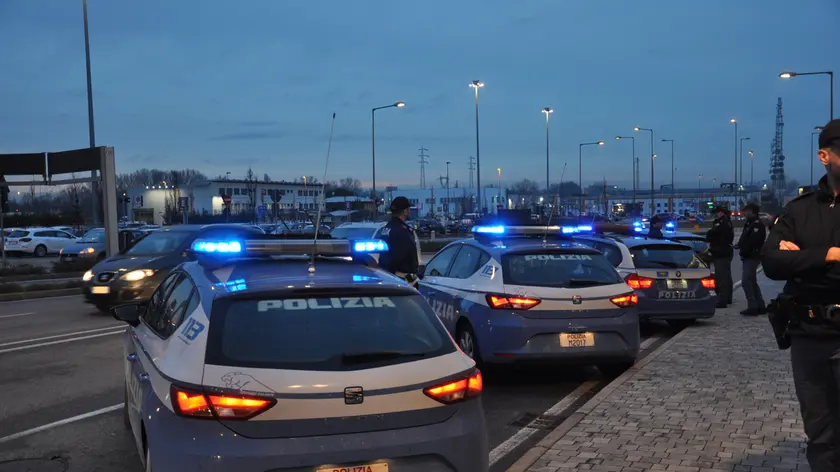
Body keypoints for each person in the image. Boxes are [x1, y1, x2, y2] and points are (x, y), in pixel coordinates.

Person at [760, 119, 840, 472]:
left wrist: (802, 259)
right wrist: (830, 255)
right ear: (825, 155)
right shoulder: (800, 209)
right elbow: (773, 262)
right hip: (810, 335)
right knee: (821, 436)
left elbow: (790, 263)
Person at [377, 196, 420, 286]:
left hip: (388, 277)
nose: (409, 211)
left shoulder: (387, 228)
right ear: (405, 211)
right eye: (409, 209)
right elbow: (400, 256)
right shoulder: (402, 230)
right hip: (401, 280)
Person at [736, 202, 766, 315]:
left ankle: (752, 306)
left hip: (752, 256)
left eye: (746, 211)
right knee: (752, 281)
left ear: (752, 212)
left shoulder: (757, 225)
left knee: (746, 282)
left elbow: (753, 241)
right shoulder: (749, 224)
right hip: (748, 255)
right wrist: (739, 245)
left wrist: (745, 248)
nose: (744, 213)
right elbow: (745, 239)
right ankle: (760, 305)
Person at [706, 205, 734, 308]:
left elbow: (712, 234)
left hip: (721, 252)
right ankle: (727, 298)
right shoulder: (726, 222)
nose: (715, 215)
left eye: (717, 213)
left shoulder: (722, 223)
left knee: (721, 277)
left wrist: (710, 234)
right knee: (726, 276)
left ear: (722, 212)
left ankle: (722, 300)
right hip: (723, 252)